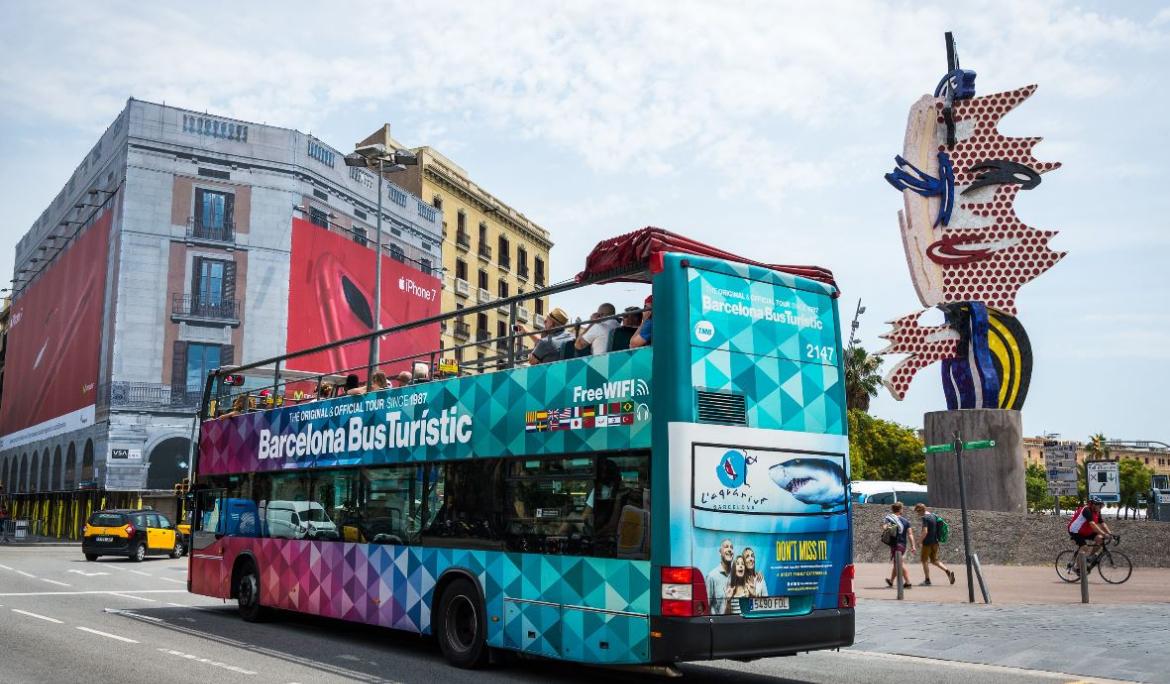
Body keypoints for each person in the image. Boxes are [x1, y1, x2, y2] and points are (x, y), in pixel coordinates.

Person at [914, 502, 955, 586]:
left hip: (927, 543)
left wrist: (919, 541)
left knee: (924, 561)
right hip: (935, 543)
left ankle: (927, 580)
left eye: (918, 512)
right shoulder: (933, 516)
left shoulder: (925, 518)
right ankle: (947, 571)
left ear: (920, 510)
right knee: (934, 560)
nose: (918, 514)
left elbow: (925, 531)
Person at [1068, 496, 1113, 570]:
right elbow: (1093, 525)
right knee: (1084, 547)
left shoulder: (1097, 511)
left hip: (1086, 531)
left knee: (1100, 539)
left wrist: (1110, 533)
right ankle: (1077, 567)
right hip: (1075, 531)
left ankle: (1089, 558)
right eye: (1100, 506)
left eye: (1101, 506)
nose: (1101, 508)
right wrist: (1104, 534)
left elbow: (1102, 523)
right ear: (1094, 505)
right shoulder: (1087, 510)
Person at [884, 501, 916, 589]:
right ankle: (891, 581)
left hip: (895, 545)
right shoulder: (906, 521)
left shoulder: (890, 519)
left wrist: (888, 526)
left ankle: (908, 582)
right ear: (901, 509)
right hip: (903, 545)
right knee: (897, 563)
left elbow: (885, 528)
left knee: (899, 564)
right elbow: (910, 534)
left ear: (893, 509)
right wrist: (913, 545)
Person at [706, 538, 735, 614]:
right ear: (720, 552)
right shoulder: (711, 576)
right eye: (726, 547)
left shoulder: (737, 576)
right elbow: (706, 607)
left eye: (731, 547)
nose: (729, 549)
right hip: (718, 621)